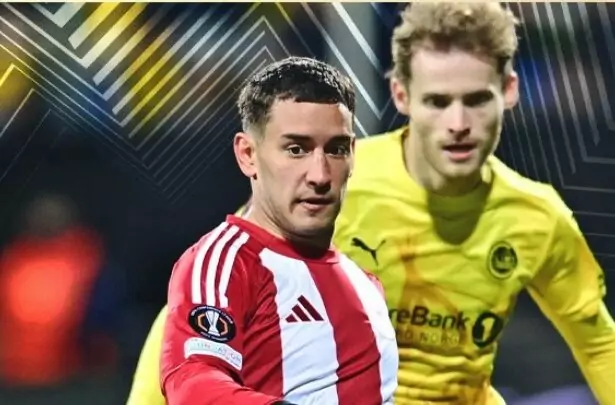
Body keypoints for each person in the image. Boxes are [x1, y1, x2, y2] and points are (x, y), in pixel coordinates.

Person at [128, 3, 615, 405]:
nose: (458, 123)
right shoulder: (335, 185)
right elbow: (202, 307)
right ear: (401, 94)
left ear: (508, 91)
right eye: (438, 101)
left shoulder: (538, 217)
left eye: (476, 100)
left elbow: (598, 344)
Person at [158, 56, 398, 405]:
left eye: (336, 150)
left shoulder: (367, 285)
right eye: (296, 149)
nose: (320, 175)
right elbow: (193, 383)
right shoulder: (227, 263)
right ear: (248, 155)